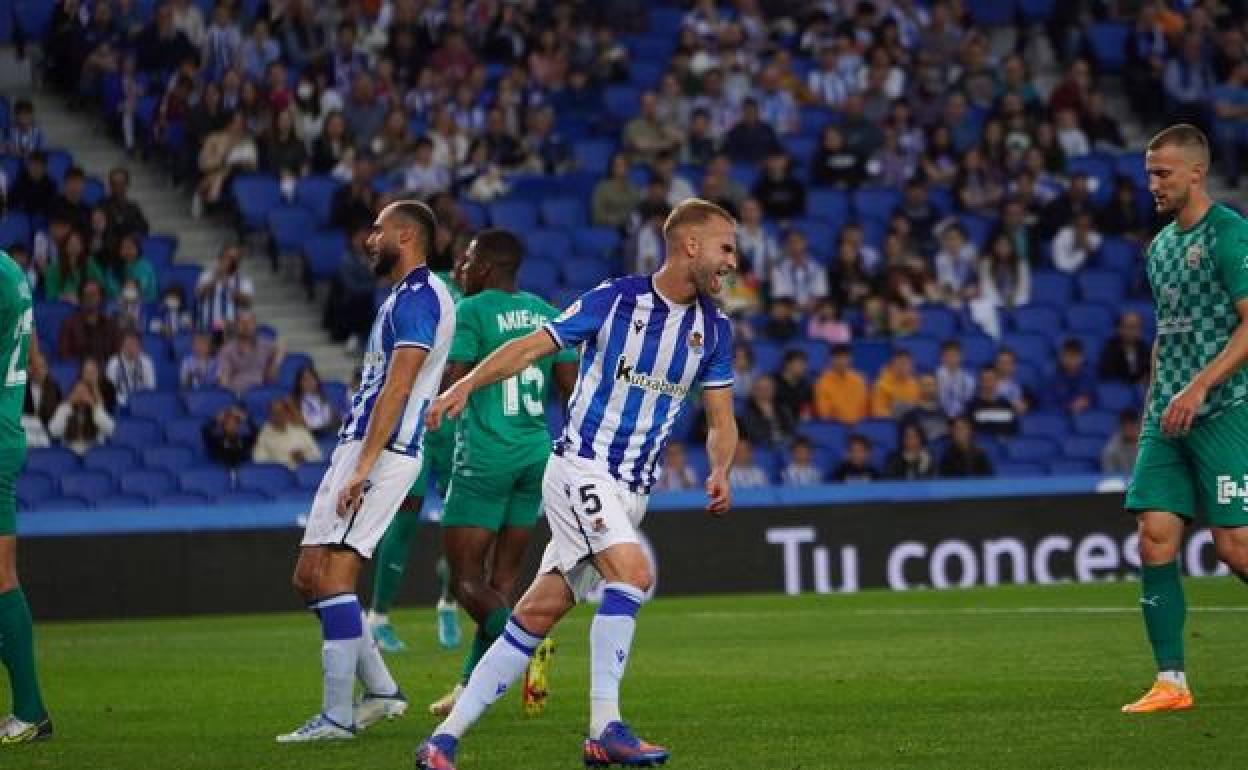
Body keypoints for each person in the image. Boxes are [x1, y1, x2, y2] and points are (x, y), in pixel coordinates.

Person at [414, 199, 739, 770]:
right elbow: (529, 347)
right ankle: (604, 728)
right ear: (691, 245)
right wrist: (463, 386)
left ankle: (443, 741)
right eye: (726, 248)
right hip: (580, 468)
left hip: (632, 491)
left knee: (534, 617)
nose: (732, 262)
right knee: (633, 573)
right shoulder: (616, 299)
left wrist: (720, 467)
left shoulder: (714, 330)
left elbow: (721, 419)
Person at [279, 201, 456, 743]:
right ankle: (381, 689)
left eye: (378, 231)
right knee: (309, 577)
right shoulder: (400, 298)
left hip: (385, 452)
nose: (369, 239)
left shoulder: (421, 297)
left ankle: (336, 717)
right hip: (359, 447)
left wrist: (363, 466)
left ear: (405, 236)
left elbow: (399, 388)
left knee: (335, 576)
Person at [425, 229, 579, 718]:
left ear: (488, 267)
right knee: (503, 580)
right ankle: (470, 685)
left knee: (465, 580)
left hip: (485, 457)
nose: (461, 269)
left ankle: (530, 642)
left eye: (469, 260)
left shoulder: (472, 311)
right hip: (535, 455)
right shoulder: (548, 313)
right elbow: (571, 390)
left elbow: (453, 382)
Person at [1120, 125, 1248, 714]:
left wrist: (1199, 387)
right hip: (1167, 416)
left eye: (1162, 173)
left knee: (1236, 549)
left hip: (1224, 410)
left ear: (1196, 173)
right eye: (1150, 173)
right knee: (1153, 537)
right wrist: (1156, 400)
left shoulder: (1229, 234)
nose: (1153, 184)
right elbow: (1166, 335)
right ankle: (1171, 682)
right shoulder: (1160, 248)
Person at [0, 251, 52, 742]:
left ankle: (30, 711)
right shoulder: (11, 271)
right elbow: (35, 358)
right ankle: (30, 710)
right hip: (5, 429)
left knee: (1, 578)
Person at [216, 311, 284, 395]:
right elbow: (224, 379)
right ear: (236, 326)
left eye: (250, 322)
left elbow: (272, 377)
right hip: (238, 393)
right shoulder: (226, 350)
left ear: (255, 326)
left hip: (261, 392)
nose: (246, 326)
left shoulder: (266, 346)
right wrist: (229, 395)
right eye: (242, 322)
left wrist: (277, 359)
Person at [253, 397, 323, 471]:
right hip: (279, 473)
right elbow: (258, 459)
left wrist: (304, 457)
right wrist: (284, 461)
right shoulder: (265, 433)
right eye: (274, 413)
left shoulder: (299, 429)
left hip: (305, 471)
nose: (278, 416)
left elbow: (317, 455)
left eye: (281, 412)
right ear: (269, 415)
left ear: (287, 414)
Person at [813, 344, 868, 424]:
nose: (841, 361)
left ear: (851, 359)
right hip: (834, 427)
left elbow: (865, 410)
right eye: (838, 358)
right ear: (831, 359)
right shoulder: (821, 383)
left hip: (860, 427)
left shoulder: (859, 380)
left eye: (845, 357)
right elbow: (824, 414)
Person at [104, 331, 157, 408]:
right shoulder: (113, 363)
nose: (133, 348)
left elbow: (151, 387)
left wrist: (140, 400)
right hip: (121, 404)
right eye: (129, 344)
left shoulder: (146, 362)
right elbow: (110, 391)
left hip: (142, 403)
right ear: (122, 346)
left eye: (136, 344)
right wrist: (124, 401)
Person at [1099, 311, 1151, 384]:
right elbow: (1108, 374)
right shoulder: (1110, 348)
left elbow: (1148, 370)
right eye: (1129, 327)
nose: (1133, 332)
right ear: (1119, 329)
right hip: (1118, 386)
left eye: (1136, 327)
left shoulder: (1144, 347)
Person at [1046, 338, 1096, 415]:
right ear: (1061, 357)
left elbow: (1085, 399)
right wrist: (1068, 408)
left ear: (1082, 357)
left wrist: (1082, 403)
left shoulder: (1089, 375)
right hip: (1059, 416)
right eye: (1067, 356)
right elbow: (1049, 402)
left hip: (1083, 416)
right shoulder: (1053, 377)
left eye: (1074, 356)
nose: (1071, 360)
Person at [966, 367, 1019, 437]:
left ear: (997, 382)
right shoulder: (971, 406)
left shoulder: (1006, 405)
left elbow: (1014, 429)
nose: (988, 384)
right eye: (984, 380)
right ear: (980, 382)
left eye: (991, 380)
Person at [871, 349, 920, 419]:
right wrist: (899, 416)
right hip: (890, 423)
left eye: (907, 364)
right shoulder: (881, 386)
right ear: (892, 365)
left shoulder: (914, 384)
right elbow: (878, 412)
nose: (903, 368)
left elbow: (917, 408)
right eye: (900, 364)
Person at [292, 365, 339, 438]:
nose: (309, 382)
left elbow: (333, 419)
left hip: (328, 431)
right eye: (305, 380)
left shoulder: (324, 397)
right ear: (299, 383)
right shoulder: (296, 401)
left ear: (316, 380)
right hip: (309, 435)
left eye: (312, 378)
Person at [1102, 409, 1141, 475]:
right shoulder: (1112, 448)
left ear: (1138, 425)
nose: (1129, 429)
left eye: (1132, 425)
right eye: (1126, 426)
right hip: (1120, 480)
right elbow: (1109, 474)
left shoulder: (1147, 444)